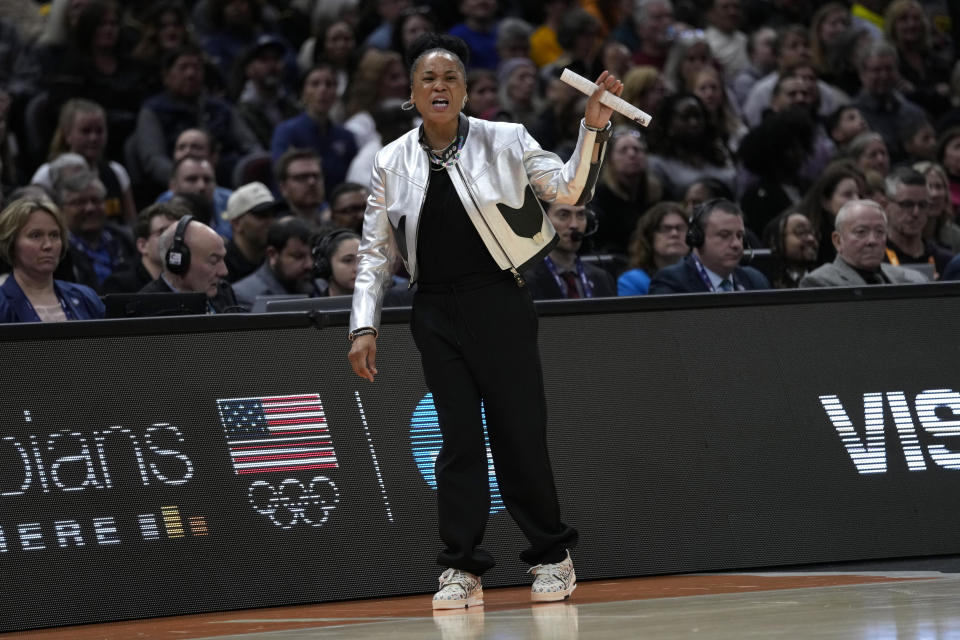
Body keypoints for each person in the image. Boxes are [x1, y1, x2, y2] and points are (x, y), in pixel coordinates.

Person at [347, 33, 620, 608]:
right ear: (412, 94)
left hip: (500, 299)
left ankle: (551, 557)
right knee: (459, 443)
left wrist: (592, 125)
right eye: (428, 79)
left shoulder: (506, 139)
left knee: (518, 434)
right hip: (434, 310)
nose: (439, 86)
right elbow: (375, 253)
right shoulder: (390, 160)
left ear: (467, 91)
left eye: (450, 78)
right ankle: (461, 568)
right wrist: (363, 325)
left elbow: (570, 189)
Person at [0, 197, 105, 323]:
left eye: (54, 235)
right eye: (35, 235)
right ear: (11, 244)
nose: (48, 245)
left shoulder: (86, 298)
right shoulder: (2, 303)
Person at [270, 63, 359, 198]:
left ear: (336, 94)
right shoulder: (287, 132)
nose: (323, 90)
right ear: (303, 93)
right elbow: (282, 176)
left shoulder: (346, 137)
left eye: (329, 85)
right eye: (315, 84)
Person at [648, 198, 770, 294]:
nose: (736, 244)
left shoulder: (755, 280)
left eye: (739, 235)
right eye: (724, 235)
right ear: (697, 238)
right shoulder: (671, 281)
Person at [800, 199, 929, 286]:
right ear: (838, 241)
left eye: (879, 232)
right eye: (861, 232)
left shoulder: (914, 280)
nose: (872, 241)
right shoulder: (819, 282)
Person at [55, 169, 137, 293]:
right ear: (61, 209)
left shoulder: (127, 240)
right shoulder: (57, 250)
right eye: (79, 202)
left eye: (95, 200)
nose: (90, 208)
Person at [144, 214, 240, 313]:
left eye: (223, 259)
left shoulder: (223, 291)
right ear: (179, 263)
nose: (224, 271)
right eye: (214, 261)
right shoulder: (145, 308)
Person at [523, 201, 616, 300]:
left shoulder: (602, 279)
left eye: (580, 215)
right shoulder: (524, 281)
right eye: (563, 215)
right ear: (542, 221)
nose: (574, 225)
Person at [233, 217, 322, 309]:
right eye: (298, 256)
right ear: (272, 254)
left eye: (313, 255)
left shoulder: (322, 287)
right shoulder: (246, 295)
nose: (309, 264)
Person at [882, 166, 953, 278]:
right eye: (907, 204)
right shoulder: (876, 260)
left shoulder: (944, 260)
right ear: (886, 205)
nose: (916, 213)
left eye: (922, 205)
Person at [102, 202, 186, 294]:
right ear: (142, 245)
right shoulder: (119, 286)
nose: (174, 238)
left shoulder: (192, 279)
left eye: (179, 232)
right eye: (163, 231)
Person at [617, 201, 689, 296]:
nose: (674, 234)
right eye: (666, 228)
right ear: (649, 237)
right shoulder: (632, 281)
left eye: (680, 228)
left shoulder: (702, 275)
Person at [222, 181, 285, 283]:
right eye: (262, 215)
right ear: (237, 223)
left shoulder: (278, 262)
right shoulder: (221, 266)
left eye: (273, 214)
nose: (272, 222)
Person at [759, 210, 820, 288]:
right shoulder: (764, 283)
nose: (811, 239)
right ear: (776, 241)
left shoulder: (823, 279)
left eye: (813, 233)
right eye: (801, 232)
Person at [275, 148, 328, 227]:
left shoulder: (336, 223)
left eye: (316, 176)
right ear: (283, 188)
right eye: (302, 177)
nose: (312, 182)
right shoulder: (275, 229)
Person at [314, 228, 360, 296]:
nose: (358, 268)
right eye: (348, 260)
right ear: (326, 265)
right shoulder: (314, 306)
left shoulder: (379, 304)